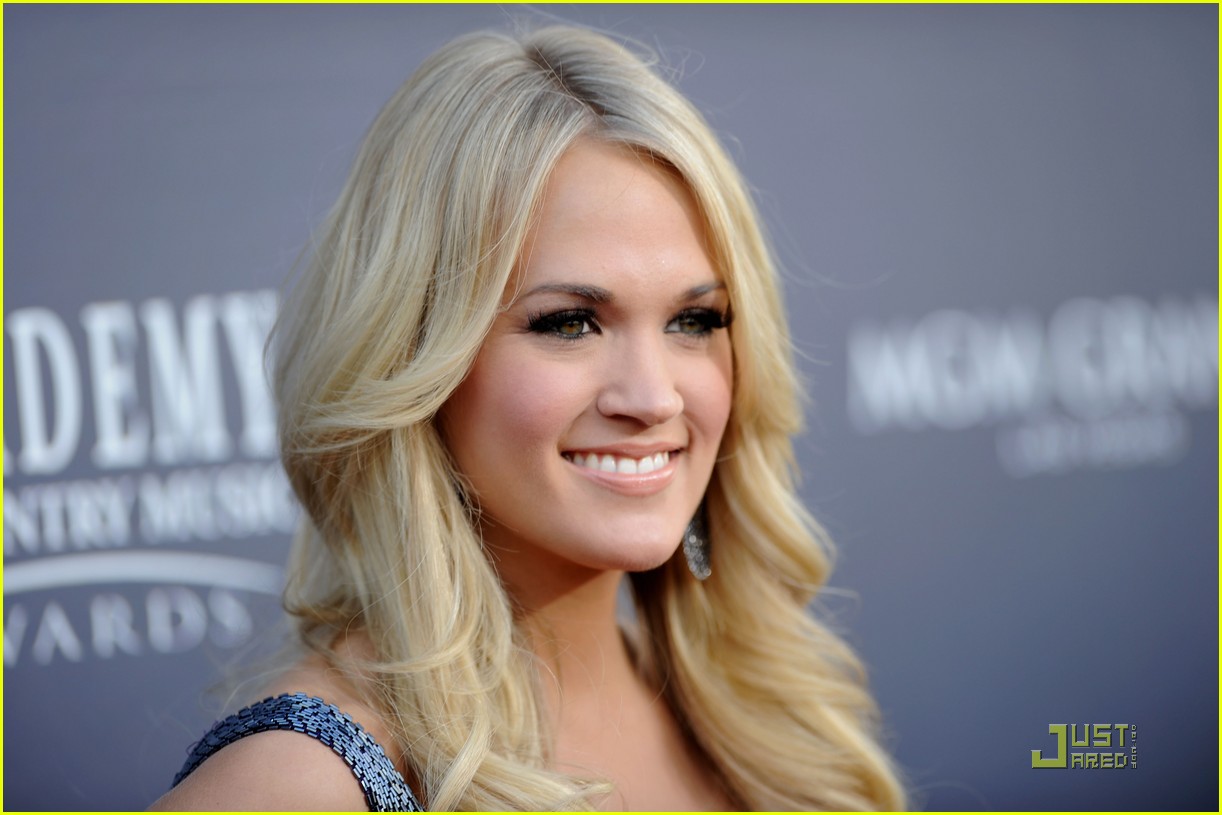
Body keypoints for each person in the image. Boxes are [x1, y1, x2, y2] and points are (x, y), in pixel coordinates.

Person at [152, 24, 906, 811]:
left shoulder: (763, 721)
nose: (654, 397)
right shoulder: (298, 784)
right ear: (416, 356)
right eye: (569, 322)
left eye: (694, 320)